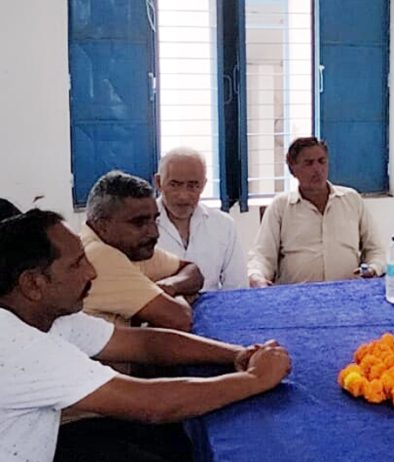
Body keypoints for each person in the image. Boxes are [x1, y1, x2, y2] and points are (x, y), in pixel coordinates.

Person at [0, 210, 291, 462]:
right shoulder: (17, 345)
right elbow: (152, 405)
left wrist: (236, 354)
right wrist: (256, 379)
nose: (91, 272)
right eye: (76, 264)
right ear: (32, 284)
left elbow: (143, 343)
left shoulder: (45, 315)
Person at [247, 137, 386, 287]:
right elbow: (262, 256)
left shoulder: (352, 200)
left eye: (322, 161)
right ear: (293, 168)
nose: (317, 169)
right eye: (308, 163)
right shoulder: (280, 207)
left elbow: (375, 250)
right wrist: (257, 277)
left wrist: (373, 269)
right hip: (297, 299)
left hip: (349, 294)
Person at [81, 171, 203, 333]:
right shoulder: (97, 256)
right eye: (139, 223)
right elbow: (179, 319)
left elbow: (192, 271)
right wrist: (169, 295)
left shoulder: (130, 248)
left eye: (155, 220)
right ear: (103, 225)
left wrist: (170, 285)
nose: (154, 233)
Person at [155, 147, 247, 291]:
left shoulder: (223, 225)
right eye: (174, 185)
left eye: (192, 186)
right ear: (159, 182)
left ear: (203, 185)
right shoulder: (138, 226)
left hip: (214, 311)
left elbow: (237, 289)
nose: (183, 195)